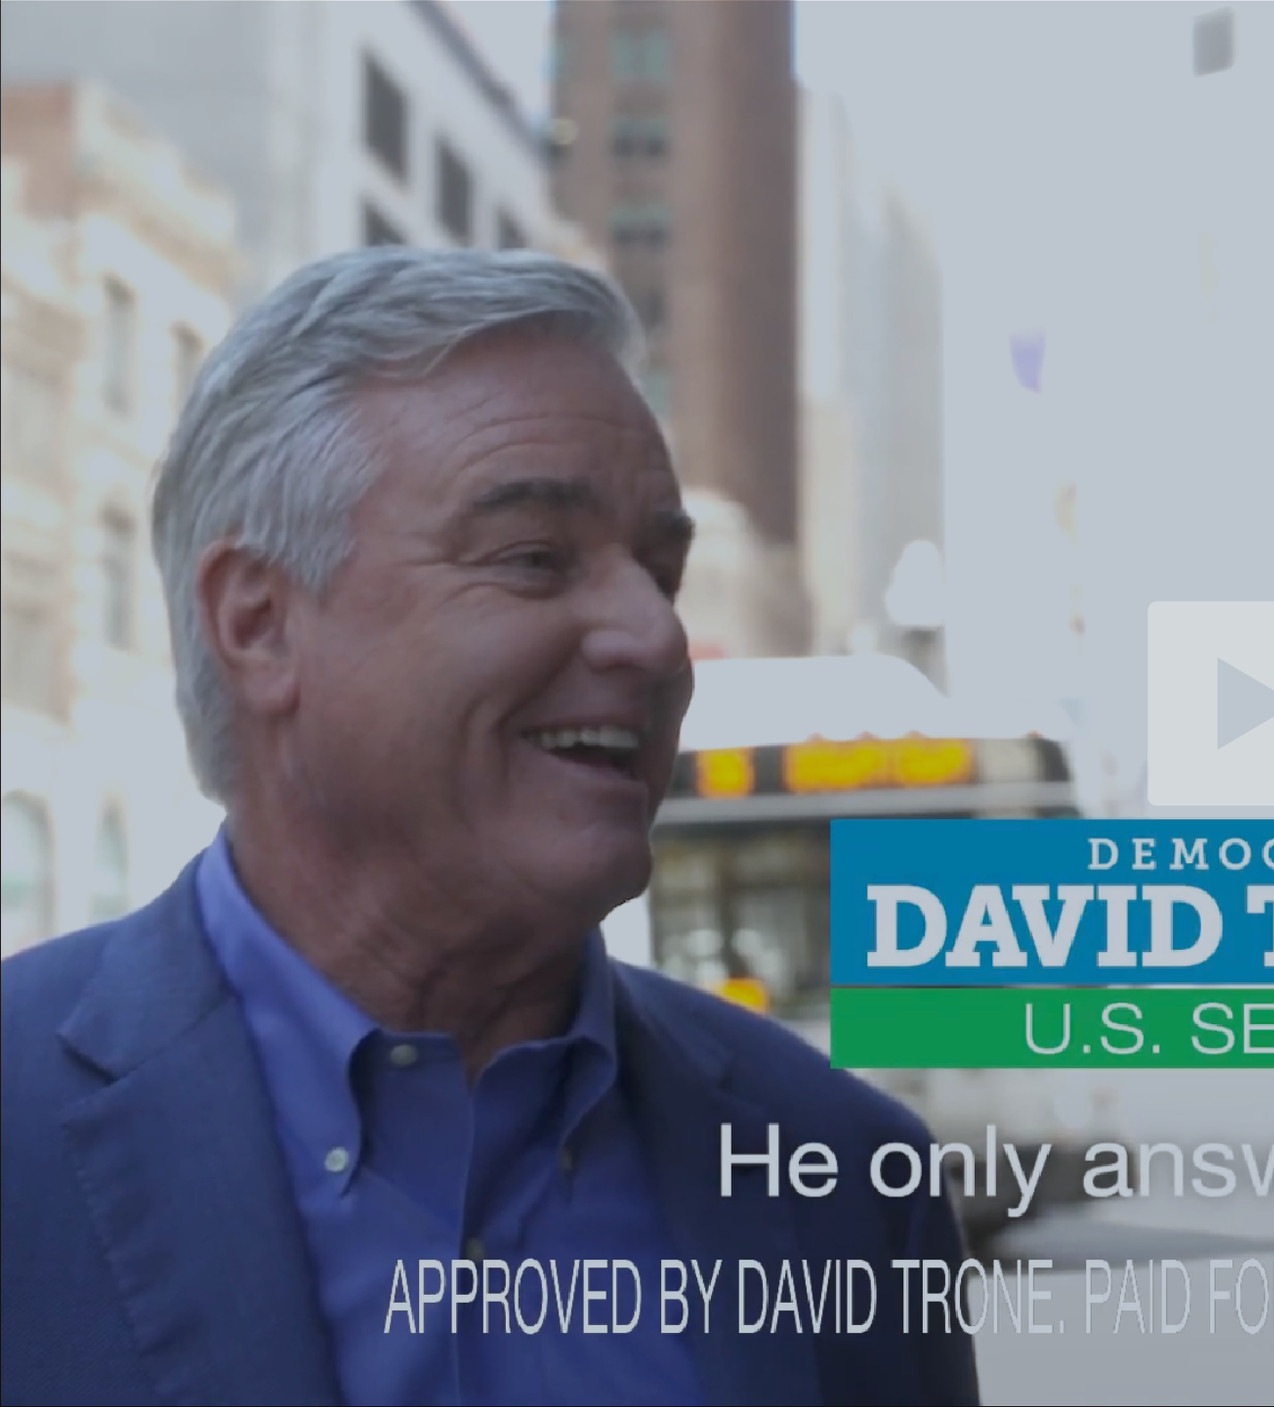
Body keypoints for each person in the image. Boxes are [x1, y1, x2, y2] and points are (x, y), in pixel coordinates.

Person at [0, 247, 980, 1406]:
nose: (655, 640)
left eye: (658, 573)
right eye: (532, 560)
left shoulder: (847, 1176)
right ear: (259, 624)